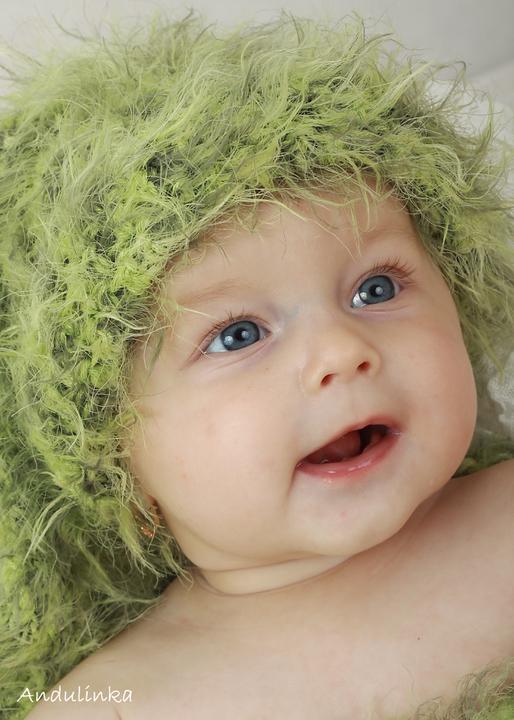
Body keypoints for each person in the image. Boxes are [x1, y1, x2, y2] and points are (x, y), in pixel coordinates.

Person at [1, 11, 513, 720]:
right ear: (117, 472)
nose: (341, 350)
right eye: (238, 335)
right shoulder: (114, 704)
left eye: (375, 289)